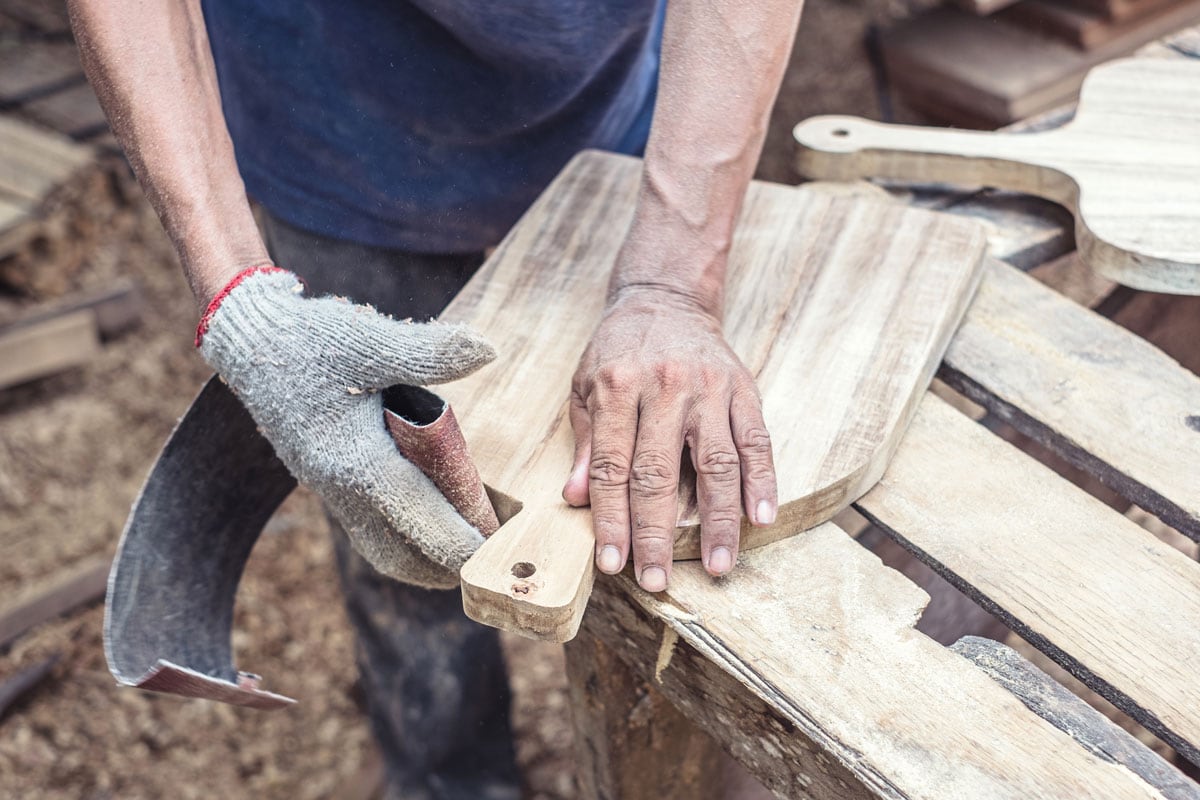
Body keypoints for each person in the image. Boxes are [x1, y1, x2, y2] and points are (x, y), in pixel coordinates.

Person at [69, 1, 803, 796]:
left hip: (608, 101)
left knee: (659, 479)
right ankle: (448, 778)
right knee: (394, 516)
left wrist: (670, 282)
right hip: (335, 120)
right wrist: (246, 307)